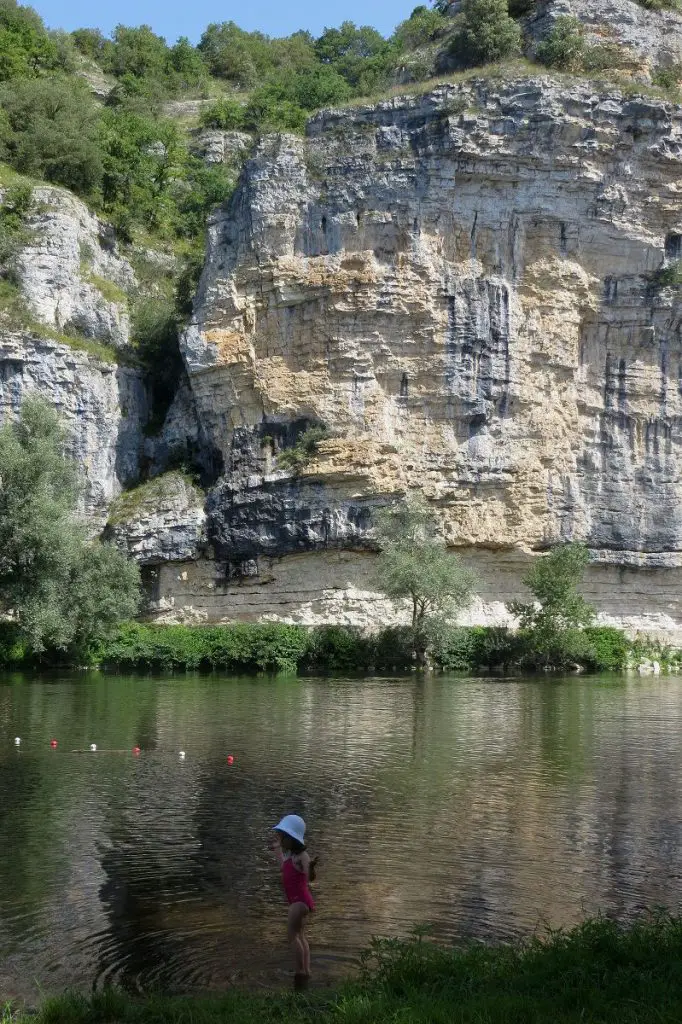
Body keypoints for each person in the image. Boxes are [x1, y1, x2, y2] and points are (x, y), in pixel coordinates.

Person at [271, 814, 317, 991]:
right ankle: (306, 971)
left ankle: (300, 971)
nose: (281, 839)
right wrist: (277, 850)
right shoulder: (291, 856)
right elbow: (284, 867)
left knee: (292, 935)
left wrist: (311, 867)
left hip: (299, 902)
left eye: (283, 837)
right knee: (301, 935)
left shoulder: (303, 856)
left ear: (293, 838)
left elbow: (310, 877)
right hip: (298, 902)